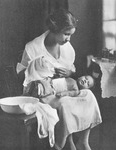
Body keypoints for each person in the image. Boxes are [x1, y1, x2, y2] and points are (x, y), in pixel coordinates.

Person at [17, 9, 102, 150]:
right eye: (66, 34)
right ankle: (66, 143)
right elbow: (23, 77)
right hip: (44, 92)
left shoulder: (67, 48)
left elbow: (71, 71)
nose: (68, 39)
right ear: (54, 29)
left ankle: (83, 140)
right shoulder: (33, 47)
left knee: (89, 95)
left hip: (63, 88)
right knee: (65, 102)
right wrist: (41, 72)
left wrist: (68, 72)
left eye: (70, 35)